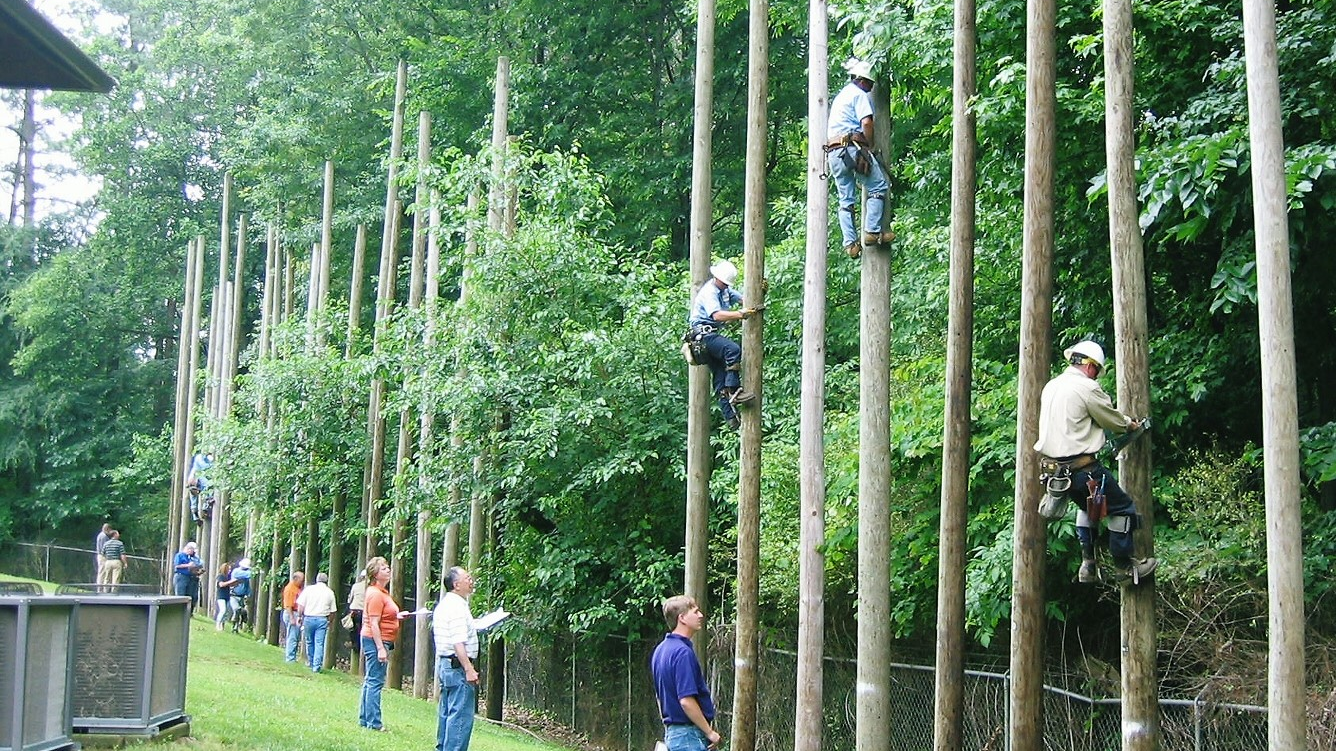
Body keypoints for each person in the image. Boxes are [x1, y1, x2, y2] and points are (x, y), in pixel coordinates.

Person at [1034, 339, 1159, 584]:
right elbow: (1112, 420)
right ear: (1091, 366)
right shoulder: (1086, 388)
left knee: (1089, 509)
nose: (1095, 376)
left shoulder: (1052, 385)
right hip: (1084, 470)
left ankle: (1088, 565)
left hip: (1058, 473)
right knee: (1122, 509)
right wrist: (1130, 424)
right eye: (1096, 371)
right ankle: (1125, 568)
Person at [825, 57, 895, 259]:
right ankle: (872, 231)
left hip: (834, 152)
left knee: (845, 199)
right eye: (870, 83)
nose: (871, 87)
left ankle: (850, 244)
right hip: (852, 149)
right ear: (862, 81)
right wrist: (870, 145)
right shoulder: (859, 95)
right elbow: (866, 123)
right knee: (878, 185)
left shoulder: (841, 96)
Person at [687, 260, 760, 431]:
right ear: (717, 277)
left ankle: (730, 417)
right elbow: (717, 315)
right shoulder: (709, 292)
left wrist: (760, 293)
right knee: (732, 350)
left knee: (720, 377)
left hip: (707, 338)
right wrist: (739, 314)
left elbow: (745, 301)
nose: (726, 285)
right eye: (724, 282)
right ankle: (734, 389)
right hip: (703, 337)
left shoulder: (725, 291)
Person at [651, 595, 720, 751]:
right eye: (695, 612)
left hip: (673, 734)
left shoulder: (660, 650)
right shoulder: (682, 653)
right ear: (681, 618)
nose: (700, 615)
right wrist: (709, 732)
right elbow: (686, 701)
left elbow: (660, 697)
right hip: (689, 736)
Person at [433, 567, 479, 751]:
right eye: (467, 578)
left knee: (446, 712)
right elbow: (458, 642)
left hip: (446, 665)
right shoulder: (457, 608)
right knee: (460, 716)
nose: (471, 580)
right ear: (456, 584)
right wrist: (468, 669)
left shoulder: (446, 604)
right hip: (457, 667)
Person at [359, 557, 400, 732]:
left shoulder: (382, 592)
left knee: (370, 680)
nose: (388, 570)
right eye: (383, 568)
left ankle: (365, 719)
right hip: (376, 639)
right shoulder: (376, 594)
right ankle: (374, 722)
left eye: (387, 567)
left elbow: (383, 615)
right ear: (375, 574)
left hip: (379, 638)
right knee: (375, 681)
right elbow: (374, 623)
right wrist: (380, 648)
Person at [296, 572, 337, 673]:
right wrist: (329, 621)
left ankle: (311, 662)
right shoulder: (330, 592)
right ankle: (316, 666)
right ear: (326, 581)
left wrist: (300, 616)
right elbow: (333, 611)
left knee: (309, 641)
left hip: (309, 618)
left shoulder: (309, 589)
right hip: (322, 619)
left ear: (317, 579)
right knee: (319, 643)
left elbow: (301, 605)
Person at [172, 541, 203, 613]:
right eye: (192, 550)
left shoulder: (191, 557)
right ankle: (179, 612)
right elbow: (177, 565)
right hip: (181, 576)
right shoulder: (180, 555)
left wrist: (197, 571)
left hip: (190, 578)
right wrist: (188, 565)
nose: (193, 552)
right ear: (188, 549)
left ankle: (188, 613)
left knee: (191, 596)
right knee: (181, 595)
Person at [281, 571, 305, 662]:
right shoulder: (290, 589)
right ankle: (290, 658)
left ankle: (292, 656)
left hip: (295, 613)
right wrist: (291, 618)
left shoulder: (297, 588)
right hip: (292, 613)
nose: (303, 582)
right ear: (296, 579)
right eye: (301, 580)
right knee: (292, 636)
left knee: (295, 636)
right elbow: (288, 605)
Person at [184, 452, 214, 523]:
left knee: (207, 485)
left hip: (202, 466)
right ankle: (206, 506)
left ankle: (206, 506)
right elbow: (193, 504)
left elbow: (207, 485)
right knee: (207, 486)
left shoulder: (200, 478)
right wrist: (196, 517)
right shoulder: (193, 486)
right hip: (200, 470)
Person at [347, 568, 368, 657]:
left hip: (355, 611)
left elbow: (350, 599)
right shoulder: (370, 587)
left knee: (353, 629)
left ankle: (355, 645)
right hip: (365, 612)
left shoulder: (355, 586)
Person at [229, 557, 253, 631]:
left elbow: (247, 586)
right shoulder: (236, 571)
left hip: (242, 596)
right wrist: (254, 572)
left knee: (238, 612)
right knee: (236, 609)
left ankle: (236, 627)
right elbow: (248, 574)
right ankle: (235, 623)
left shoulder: (246, 574)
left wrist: (248, 594)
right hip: (233, 595)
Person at [214, 562, 238, 630]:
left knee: (226, 612)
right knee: (223, 610)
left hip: (227, 596)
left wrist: (235, 583)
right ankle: (217, 625)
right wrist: (231, 582)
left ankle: (222, 625)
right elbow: (221, 584)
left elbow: (229, 585)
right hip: (221, 596)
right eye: (228, 569)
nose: (230, 571)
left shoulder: (228, 577)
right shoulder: (220, 576)